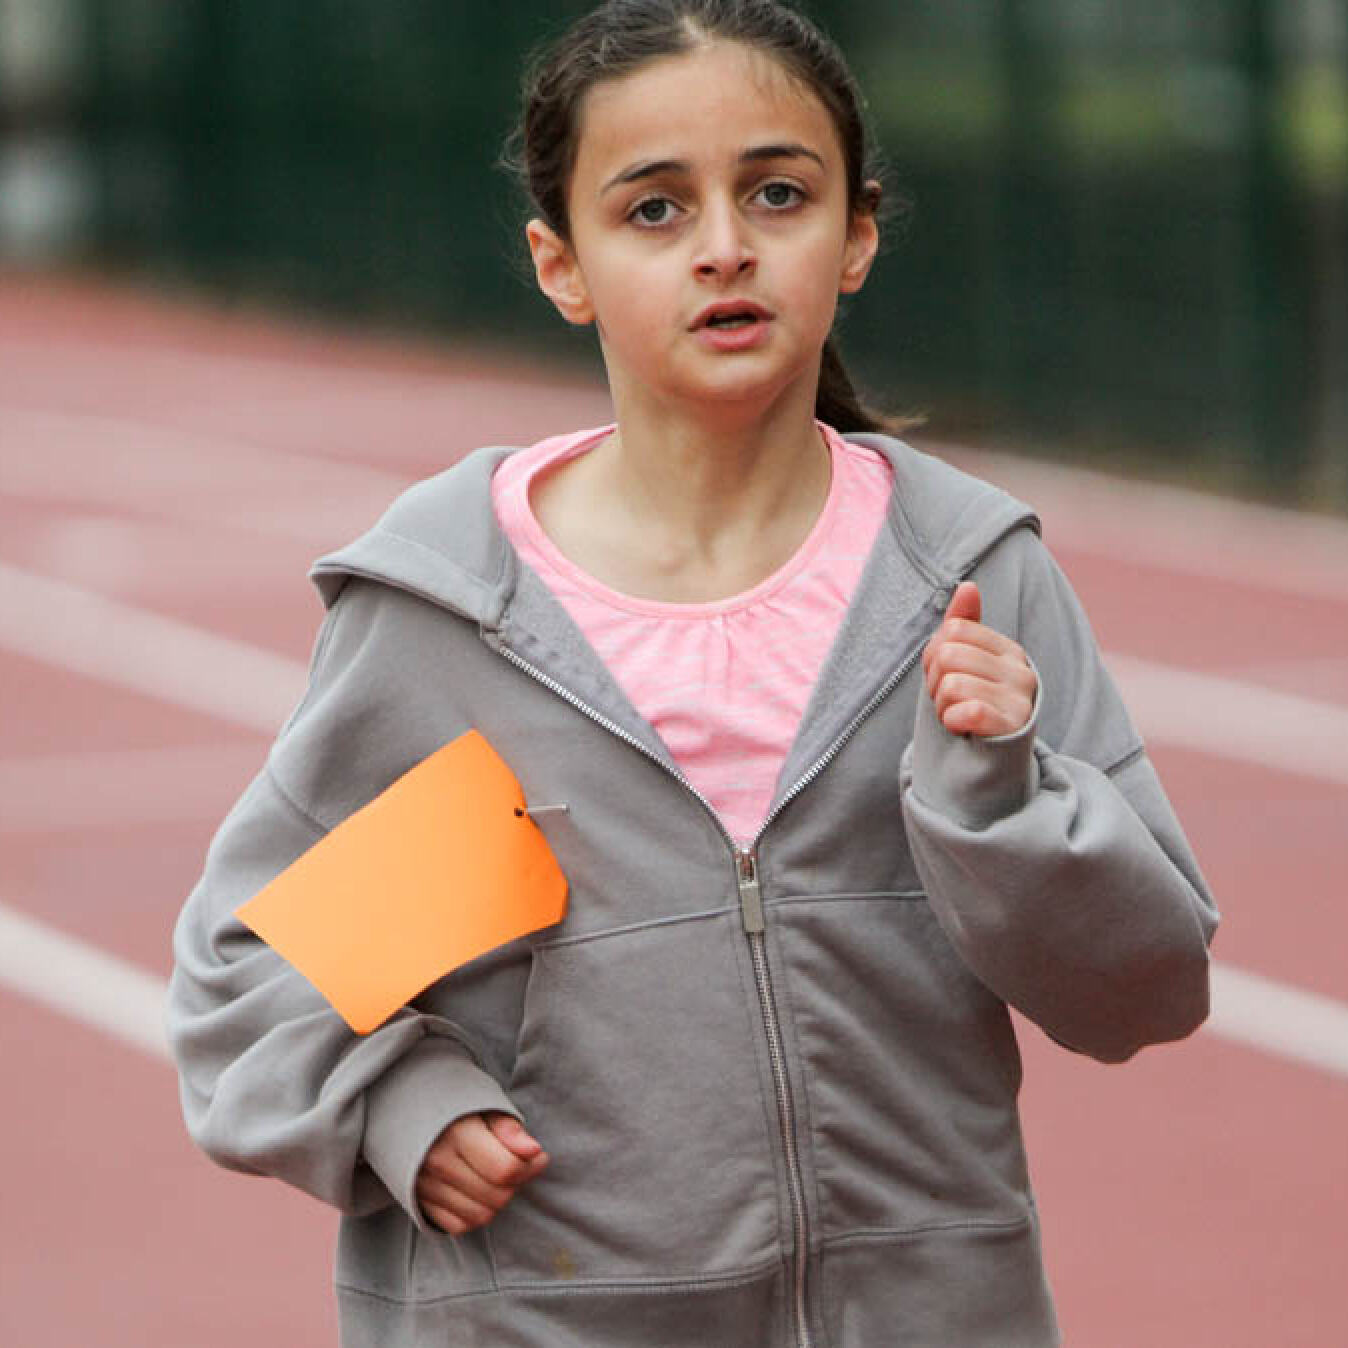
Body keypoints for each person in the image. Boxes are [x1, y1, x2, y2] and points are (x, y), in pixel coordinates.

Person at [167, 2, 1218, 1345]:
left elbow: (1144, 992)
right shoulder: (451, 615)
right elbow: (248, 969)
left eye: (778, 194)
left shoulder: (965, 577)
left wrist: (1000, 804)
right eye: (654, 210)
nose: (725, 246)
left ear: (857, 236)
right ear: (562, 266)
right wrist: (394, 1104)